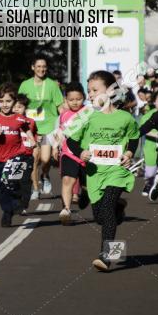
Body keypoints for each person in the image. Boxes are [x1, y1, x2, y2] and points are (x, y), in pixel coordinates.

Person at [65, 71, 139, 271]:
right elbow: (70, 140)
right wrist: (80, 152)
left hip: (116, 172)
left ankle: (107, 258)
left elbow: (134, 136)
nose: (89, 95)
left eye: (94, 90)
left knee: (105, 210)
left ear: (110, 91)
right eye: (89, 91)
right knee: (100, 216)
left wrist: (130, 152)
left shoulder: (125, 117)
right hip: (94, 173)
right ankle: (119, 209)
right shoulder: (86, 116)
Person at [0, 84, 37, 228]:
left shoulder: (19, 119)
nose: (5, 104)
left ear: (14, 101)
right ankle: (8, 212)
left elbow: (27, 128)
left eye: (8, 101)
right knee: (2, 186)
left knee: (12, 182)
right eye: (1, 101)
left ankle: (18, 202)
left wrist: (32, 139)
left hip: (16, 155)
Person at [18, 56, 64, 200]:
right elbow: (19, 105)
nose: (41, 69)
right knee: (34, 160)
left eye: (44, 66)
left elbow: (60, 106)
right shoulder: (25, 85)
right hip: (30, 128)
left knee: (45, 159)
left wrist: (66, 120)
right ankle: (36, 188)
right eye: (38, 66)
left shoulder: (52, 85)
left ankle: (45, 175)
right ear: (33, 67)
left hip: (48, 126)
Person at [51, 83, 90, 224]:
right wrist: (55, 147)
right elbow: (60, 132)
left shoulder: (89, 112)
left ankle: (85, 193)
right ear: (66, 100)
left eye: (78, 99)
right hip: (68, 153)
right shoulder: (64, 115)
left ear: (84, 98)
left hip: (86, 154)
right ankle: (66, 210)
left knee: (87, 184)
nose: (75, 102)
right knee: (67, 180)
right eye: (71, 99)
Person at [139, 91, 158, 197]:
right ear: (154, 102)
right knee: (149, 173)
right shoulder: (152, 115)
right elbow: (143, 130)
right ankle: (150, 183)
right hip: (152, 146)